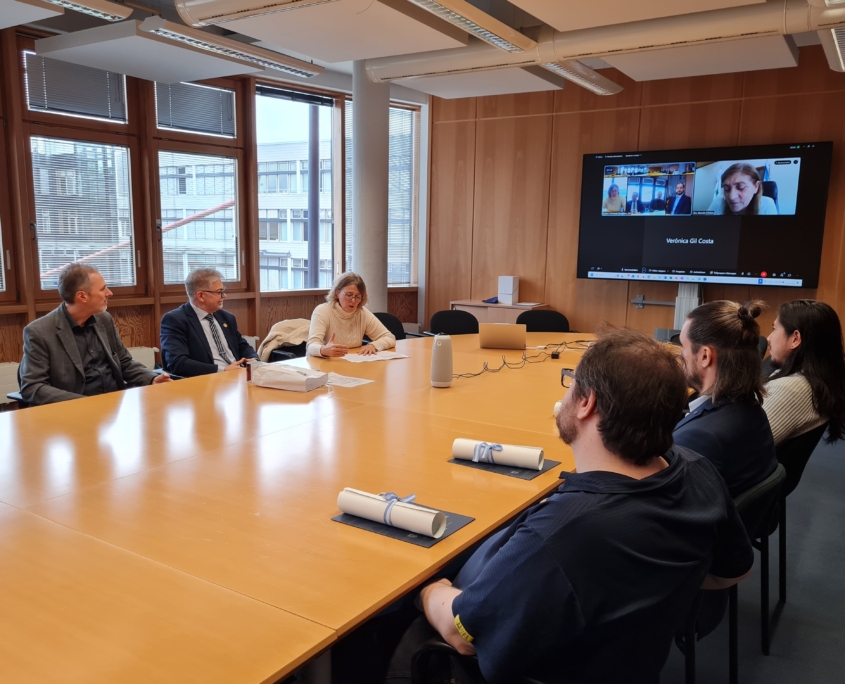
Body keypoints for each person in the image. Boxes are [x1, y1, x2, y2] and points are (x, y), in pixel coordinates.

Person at [375, 328, 753, 684]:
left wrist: (427, 589)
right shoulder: (699, 472)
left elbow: (463, 635)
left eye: (571, 383)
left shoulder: (561, 537)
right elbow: (732, 571)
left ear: (587, 403)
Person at [19, 263, 171, 405]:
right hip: (76, 410)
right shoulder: (40, 331)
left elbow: (124, 362)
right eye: (103, 289)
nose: (109, 293)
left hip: (116, 404)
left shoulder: (104, 319)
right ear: (82, 296)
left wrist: (151, 379)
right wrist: (87, 404)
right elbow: (32, 386)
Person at [674, 300, 777, 497]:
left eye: (683, 346)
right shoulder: (752, 409)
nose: (680, 355)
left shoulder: (698, 438)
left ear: (705, 356)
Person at [763, 300, 845, 445]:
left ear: (795, 339)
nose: (769, 338)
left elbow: (739, 450)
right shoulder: (824, 379)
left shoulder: (788, 390)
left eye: (774, 329)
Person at [160, 268, 259, 377]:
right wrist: (223, 370)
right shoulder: (175, 320)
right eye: (219, 292)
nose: (224, 295)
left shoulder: (227, 317)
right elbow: (178, 363)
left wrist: (253, 359)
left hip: (239, 375)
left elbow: (242, 345)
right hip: (208, 380)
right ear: (201, 296)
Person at [307, 272, 396, 357]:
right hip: (325, 363)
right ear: (337, 293)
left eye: (357, 297)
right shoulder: (323, 311)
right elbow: (311, 346)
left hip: (353, 361)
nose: (353, 300)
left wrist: (373, 346)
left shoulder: (362, 313)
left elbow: (389, 338)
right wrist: (323, 349)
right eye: (349, 295)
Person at [707, 163, 778, 216]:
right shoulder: (718, 202)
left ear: (756, 187)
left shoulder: (767, 205)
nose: (731, 197)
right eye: (726, 188)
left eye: (741, 187)